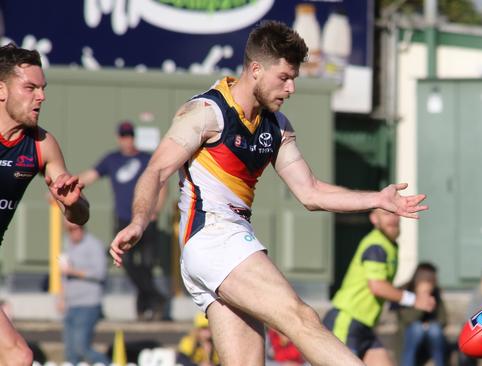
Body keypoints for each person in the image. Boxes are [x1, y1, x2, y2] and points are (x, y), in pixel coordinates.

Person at [109, 20, 427, 366]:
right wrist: (139, 221)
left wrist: (377, 199)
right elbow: (156, 170)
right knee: (301, 318)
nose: (291, 88)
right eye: (284, 77)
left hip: (221, 245)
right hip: (213, 235)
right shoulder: (207, 112)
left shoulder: (276, 126)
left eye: (294, 79)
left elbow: (312, 192)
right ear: (256, 70)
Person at [0, 43, 89, 366]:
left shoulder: (41, 144)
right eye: (30, 87)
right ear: (1, 90)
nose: (41, 96)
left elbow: (79, 215)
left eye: (42, 88)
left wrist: (73, 203)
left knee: (18, 357)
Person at [79, 120, 168, 321]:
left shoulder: (146, 159)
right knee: (126, 262)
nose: (127, 140)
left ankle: (145, 308)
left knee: (146, 265)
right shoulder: (112, 159)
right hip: (123, 219)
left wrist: (155, 210)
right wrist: (68, 185)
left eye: (130, 136)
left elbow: (162, 184)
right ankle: (155, 297)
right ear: (118, 138)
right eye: (123, 136)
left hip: (145, 221)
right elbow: (91, 175)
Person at [323, 209, 435, 365]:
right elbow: (377, 286)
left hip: (365, 326)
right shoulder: (376, 245)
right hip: (347, 322)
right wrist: (413, 299)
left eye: (395, 213)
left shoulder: (390, 245)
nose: (393, 219)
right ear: (374, 218)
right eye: (387, 214)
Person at [57, 220, 110, 365]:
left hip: (88, 304)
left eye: (78, 228)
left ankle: (106, 363)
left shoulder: (94, 245)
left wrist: (73, 271)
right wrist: (61, 299)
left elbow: (100, 273)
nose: (75, 232)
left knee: (82, 347)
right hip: (71, 304)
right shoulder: (67, 244)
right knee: (70, 352)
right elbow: (64, 276)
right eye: (71, 229)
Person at [395, 262, 447, 366]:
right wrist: (421, 304)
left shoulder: (435, 293)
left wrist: (429, 324)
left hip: (430, 332)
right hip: (409, 333)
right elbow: (405, 319)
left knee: (434, 330)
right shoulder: (405, 291)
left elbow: (443, 319)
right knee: (417, 329)